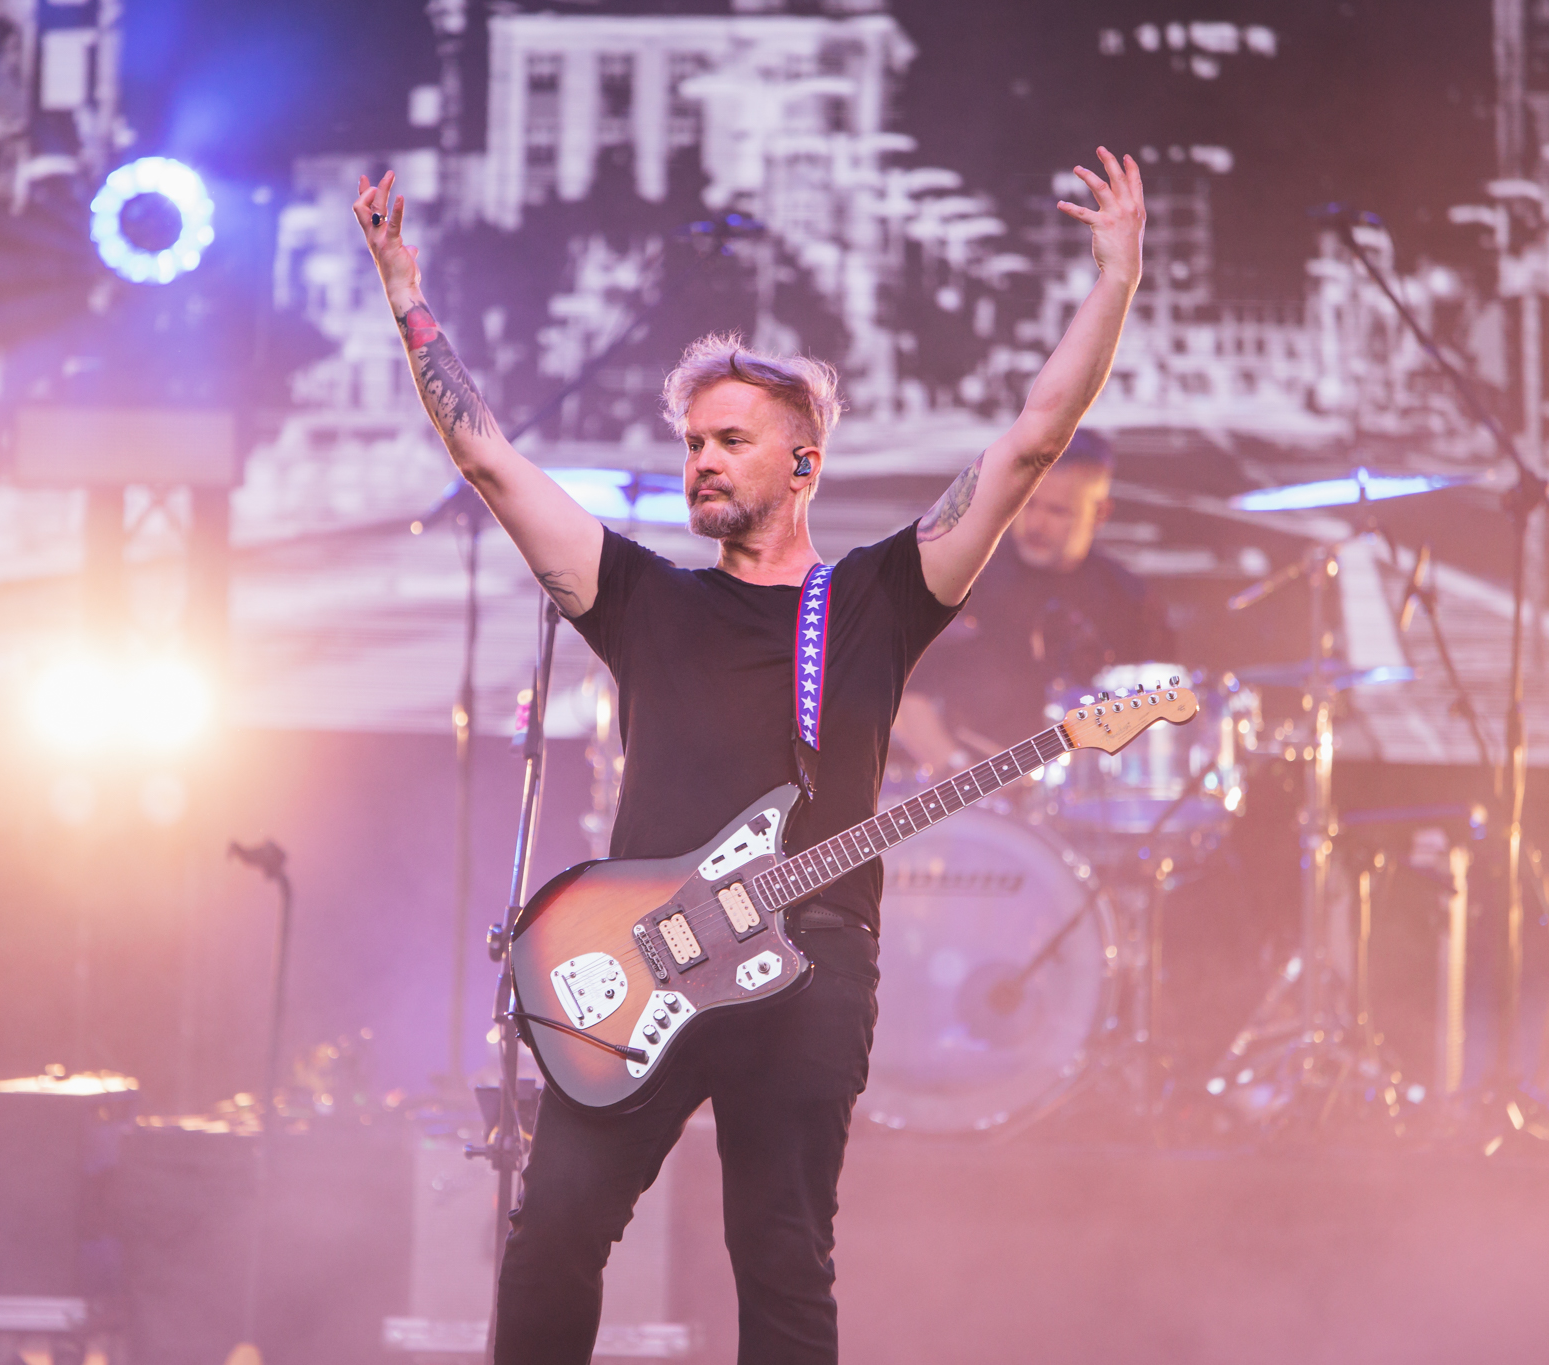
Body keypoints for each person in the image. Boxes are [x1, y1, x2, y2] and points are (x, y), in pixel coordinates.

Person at [353, 145, 1146, 1364]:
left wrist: (1115, 279)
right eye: (692, 443)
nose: (702, 461)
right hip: (636, 961)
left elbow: (1032, 443)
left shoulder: (876, 599)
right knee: (552, 1233)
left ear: (802, 463)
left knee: (779, 1257)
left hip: (808, 963)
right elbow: (489, 461)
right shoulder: (640, 598)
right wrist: (406, 294)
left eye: (729, 439)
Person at [893, 428, 1176, 776]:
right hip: (984, 792)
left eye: (1057, 511)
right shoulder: (969, 581)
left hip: (1093, 794)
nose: (1035, 523)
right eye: (1027, 503)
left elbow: (1159, 711)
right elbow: (905, 696)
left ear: (1100, 513)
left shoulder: (1130, 599)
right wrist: (958, 769)